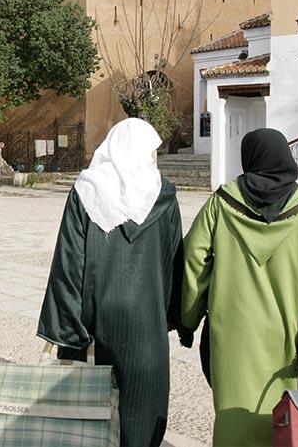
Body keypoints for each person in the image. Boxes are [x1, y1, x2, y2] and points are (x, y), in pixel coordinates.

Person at [181, 128, 298, 446]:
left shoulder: (222, 203)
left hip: (233, 335)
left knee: (235, 418)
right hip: (287, 338)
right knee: (290, 420)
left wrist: (187, 317)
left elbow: (194, 262)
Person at [37, 118, 186, 447]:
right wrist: (176, 317)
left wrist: (69, 333)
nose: (154, 160)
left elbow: (69, 261)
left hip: (95, 322)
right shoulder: (164, 195)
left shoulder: (86, 191)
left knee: (91, 413)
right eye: (152, 153)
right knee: (143, 412)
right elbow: (175, 260)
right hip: (148, 323)